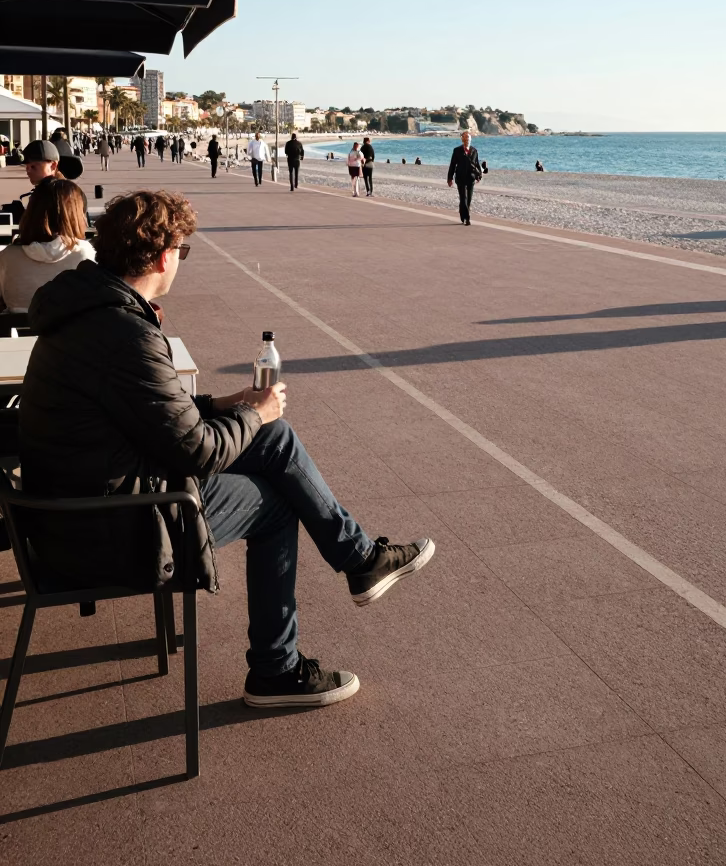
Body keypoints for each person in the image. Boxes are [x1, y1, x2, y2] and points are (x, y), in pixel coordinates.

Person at [19, 189, 435, 708]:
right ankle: (276, 670)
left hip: (72, 503)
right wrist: (255, 412)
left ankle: (361, 559)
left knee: (274, 438)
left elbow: (143, 410)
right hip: (109, 527)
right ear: (163, 256)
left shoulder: (85, 309)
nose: (180, 261)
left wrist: (225, 404)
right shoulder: (125, 333)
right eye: (182, 250)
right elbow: (196, 452)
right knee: (276, 501)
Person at [0, 180, 95, 314]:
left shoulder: (8, 256)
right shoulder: (84, 253)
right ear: (75, 214)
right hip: (71, 326)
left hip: (17, 327)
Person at [447, 130, 482, 225]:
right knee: (463, 198)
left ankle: (463, 213)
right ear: (462, 140)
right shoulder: (457, 150)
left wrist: (479, 175)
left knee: (468, 199)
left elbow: (476, 164)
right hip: (460, 177)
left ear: (471, 140)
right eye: (465, 139)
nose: (467, 140)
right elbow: (452, 165)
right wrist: (450, 178)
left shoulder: (474, 151)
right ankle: (467, 218)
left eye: (468, 139)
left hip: (471, 178)